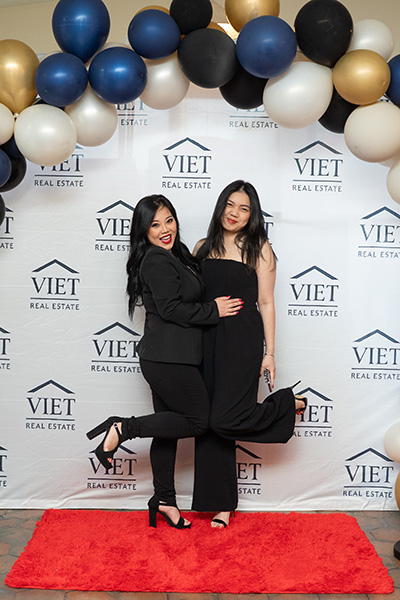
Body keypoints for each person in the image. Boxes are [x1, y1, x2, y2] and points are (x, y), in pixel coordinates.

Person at [86, 194, 243, 530]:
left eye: (168, 220)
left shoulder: (176, 254)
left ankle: (165, 500)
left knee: (167, 430)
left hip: (168, 356)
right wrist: (214, 310)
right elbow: (171, 309)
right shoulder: (156, 259)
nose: (164, 229)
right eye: (155, 224)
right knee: (198, 421)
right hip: (169, 358)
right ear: (143, 230)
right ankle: (123, 428)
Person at [191, 180, 307, 528]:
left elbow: (266, 302)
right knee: (207, 422)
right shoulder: (201, 247)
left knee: (224, 418)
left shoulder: (259, 248)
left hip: (242, 339)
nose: (235, 213)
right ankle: (220, 503)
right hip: (204, 338)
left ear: (252, 215)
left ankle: (286, 403)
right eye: (230, 204)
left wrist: (269, 353)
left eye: (244, 208)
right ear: (220, 206)